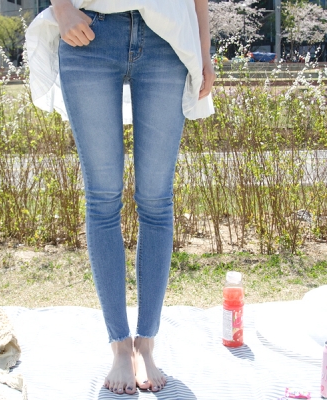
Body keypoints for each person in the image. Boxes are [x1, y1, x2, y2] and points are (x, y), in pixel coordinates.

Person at [45, 0, 215, 395]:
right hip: (89, 32)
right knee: (102, 199)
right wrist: (62, 8)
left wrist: (205, 52)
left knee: (156, 200)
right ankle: (120, 346)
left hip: (167, 36)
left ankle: (146, 344)